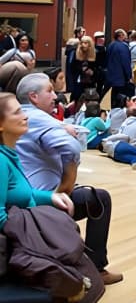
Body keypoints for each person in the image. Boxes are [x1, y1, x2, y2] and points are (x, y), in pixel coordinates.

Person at [14, 73, 123, 285]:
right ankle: (96, 269)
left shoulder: (19, 116)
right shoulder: (37, 117)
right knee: (100, 199)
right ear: (33, 97)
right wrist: (66, 186)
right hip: (41, 201)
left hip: (25, 199)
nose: (55, 96)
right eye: (49, 91)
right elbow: (71, 148)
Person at [0, 91, 75, 230]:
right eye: (17, 113)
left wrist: (52, 197)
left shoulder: (10, 153)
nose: (25, 116)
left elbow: (25, 193)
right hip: (20, 235)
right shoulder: (1, 160)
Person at [104, 29, 132, 109]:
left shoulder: (110, 45)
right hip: (120, 76)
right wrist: (129, 75)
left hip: (111, 74)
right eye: (124, 35)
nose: (126, 36)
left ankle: (113, 110)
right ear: (121, 36)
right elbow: (125, 62)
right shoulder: (123, 46)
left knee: (114, 94)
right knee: (120, 97)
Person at [67, 34, 97, 101]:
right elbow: (72, 68)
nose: (83, 45)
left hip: (90, 82)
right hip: (78, 81)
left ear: (90, 44)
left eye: (85, 43)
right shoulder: (75, 53)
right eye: (82, 43)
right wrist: (81, 70)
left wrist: (93, 72)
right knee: (76, 97)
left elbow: (97, 68)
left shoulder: (95, 54)